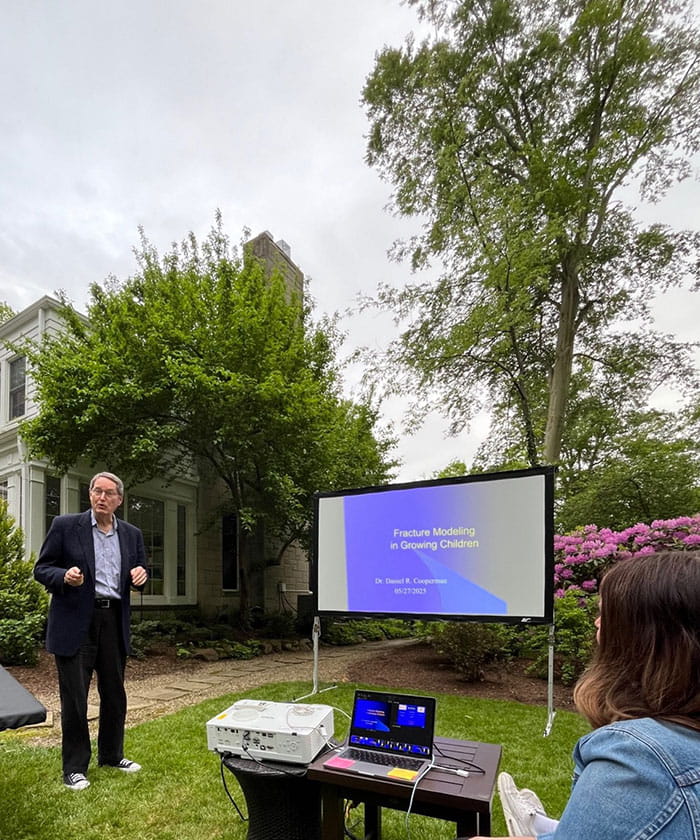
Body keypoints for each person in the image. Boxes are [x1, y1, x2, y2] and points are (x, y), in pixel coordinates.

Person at [472, 550, 700, 840]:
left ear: (644, 635)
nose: (596, 623)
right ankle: (543, 828)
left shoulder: (640, 761)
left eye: (607, 614)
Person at [34, 472, 149, 791]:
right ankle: (74, 768)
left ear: (119, 500)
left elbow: (139, 571)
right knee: (75, 698)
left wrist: (141, 574)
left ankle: (112, 755)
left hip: (113, 621)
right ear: (90, 495)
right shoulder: (65, 525)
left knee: (115, 694)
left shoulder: (131, 534)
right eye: (97, 491)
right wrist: (63, 576)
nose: (101, 497)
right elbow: (41, 569)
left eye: (109, 493)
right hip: (74, 622)